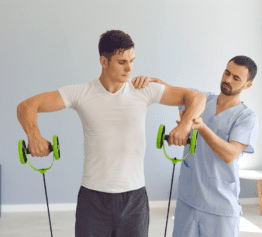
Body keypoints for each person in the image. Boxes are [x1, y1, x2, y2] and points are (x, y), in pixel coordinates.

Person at [17, 30, 206, 237]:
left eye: (132, 61)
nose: (129, 69)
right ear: (103, 61)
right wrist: (34, 136)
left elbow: (196, 97)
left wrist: (185, 124)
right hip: (93, 198)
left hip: (134, 198)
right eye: (121, 62)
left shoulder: (143, 89)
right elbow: (27, 106)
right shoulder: (80, 93)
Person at [132, 55, 258, 237]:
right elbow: (170, 91)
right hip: (188, 200)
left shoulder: (246, 118)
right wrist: (152, 81)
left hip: (220, 206)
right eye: (227, 72)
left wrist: (201, 127)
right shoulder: (202, 99)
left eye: (236, 78)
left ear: (248, 84)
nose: (227, 80)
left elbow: (230, 155)